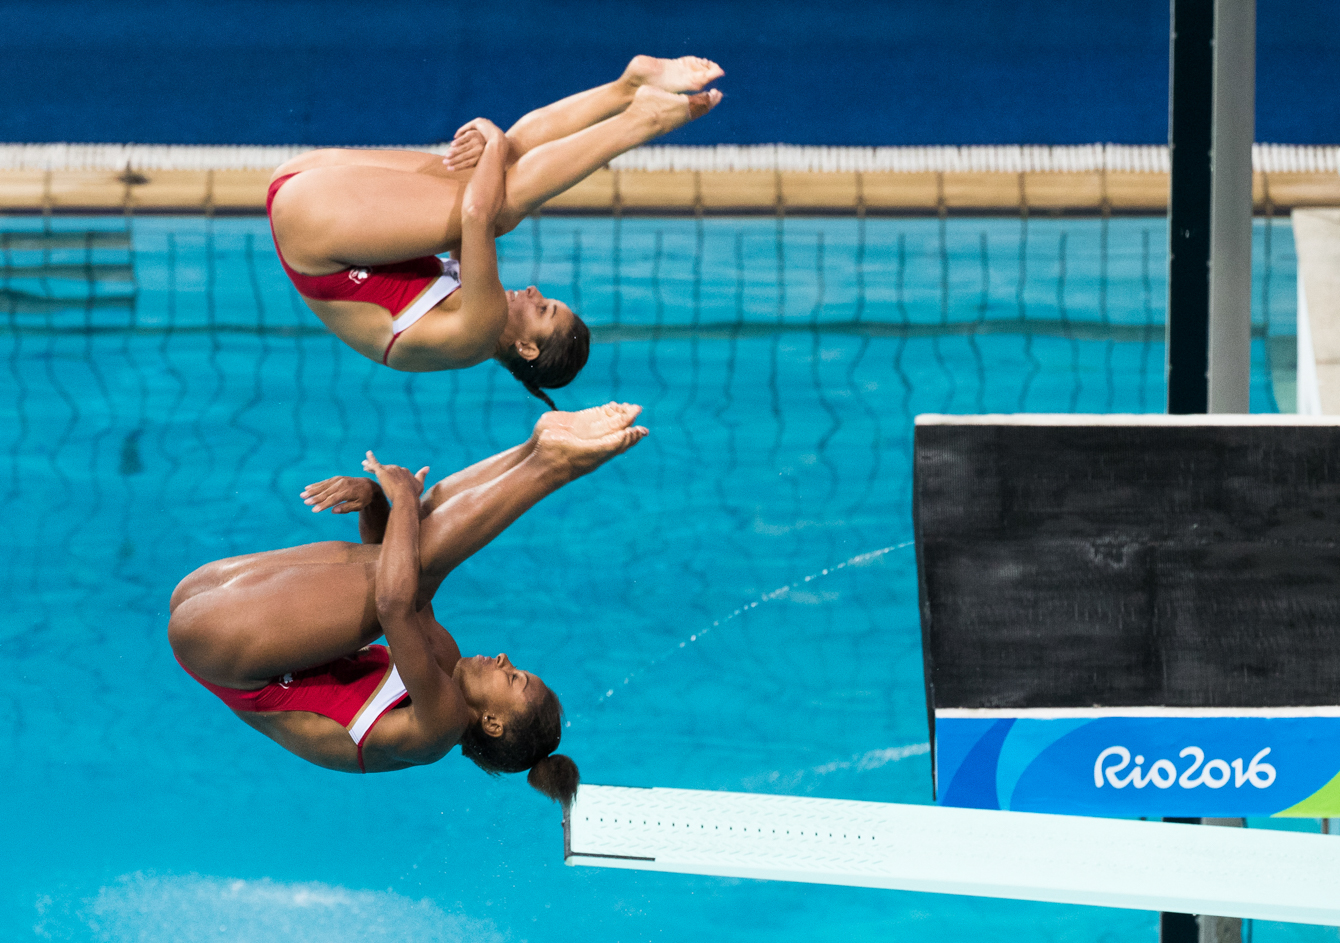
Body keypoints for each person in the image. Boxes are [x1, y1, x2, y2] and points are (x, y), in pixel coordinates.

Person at [167, 403, 648, 805]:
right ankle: (532, 449)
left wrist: (401, 498)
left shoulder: (438, 728)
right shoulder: (444, 659)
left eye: (514, 678)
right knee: (417, 539)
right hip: (212, 603)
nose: (505, 659)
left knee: (415, 553)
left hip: (227, 652)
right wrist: (377, 501)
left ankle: (552, 464)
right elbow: (392, 561)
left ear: (493, 723)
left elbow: (394, 602)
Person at [266, 56, 724, 407]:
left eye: (544, 309)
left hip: (310, 211)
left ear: (525, 348)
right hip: (306, 203)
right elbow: (477, 209)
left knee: (499, 205)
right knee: (500, 173)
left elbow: (479, 216)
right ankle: (628, 88)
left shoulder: (479, 333)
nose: (533, 290)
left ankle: (641, 117)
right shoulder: (469, 325)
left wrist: (494, 137)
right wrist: (496, 152)